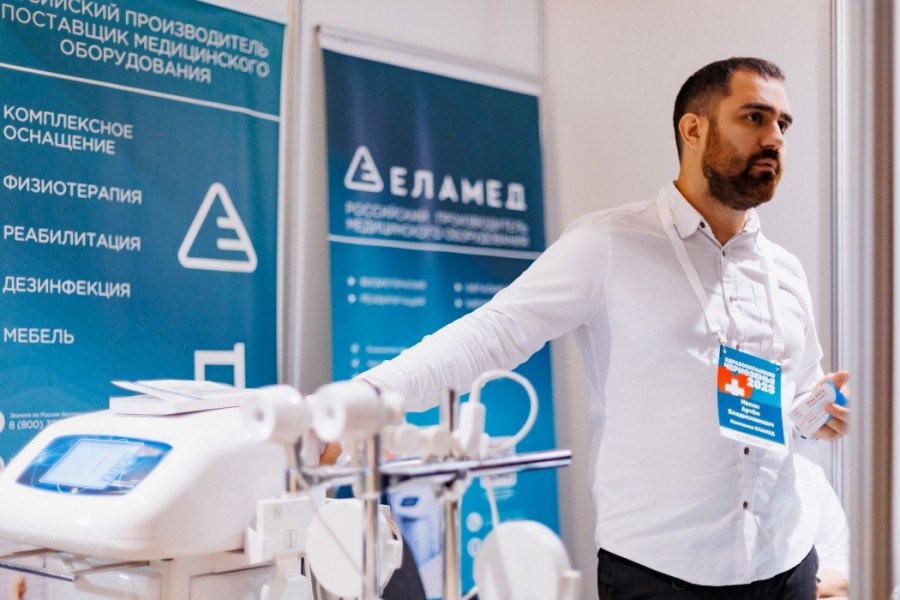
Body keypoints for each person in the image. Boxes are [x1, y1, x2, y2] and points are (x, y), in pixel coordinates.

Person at [358, 57, 850, 599]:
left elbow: (799, 394)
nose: (775, 138)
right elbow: (492, 333)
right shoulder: (610, 244)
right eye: (754, 117)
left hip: (785, 564)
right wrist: (366, 398)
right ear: (694, 129)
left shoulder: (784, 271)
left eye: (783, 124)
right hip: (663, 576)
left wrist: (816, 413)